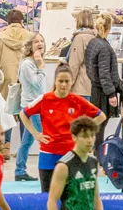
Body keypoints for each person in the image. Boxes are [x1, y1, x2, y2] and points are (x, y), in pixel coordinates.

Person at [20, 64, 106, 192]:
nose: (63, 84)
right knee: (48, 194)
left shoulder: (77, 100)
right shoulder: (44, 99)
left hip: (71, 154)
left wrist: (83, 133)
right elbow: (24, 114)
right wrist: (36, 134)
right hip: (48, 154)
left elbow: (101, 116)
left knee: (71, 195)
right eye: (60, 81)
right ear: (55, 81)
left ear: (71, 82)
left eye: (67, 81)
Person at [84, 12, 123, 146]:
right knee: (100, 124)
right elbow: (104, 73)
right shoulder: (104, 47)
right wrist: (111, 94)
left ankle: (96, 152)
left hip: (95, 88)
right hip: (102, 92)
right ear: (109, 27)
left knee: (97, 124)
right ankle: (98, 154)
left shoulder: (93, 43)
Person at [46, 117, 101, 210]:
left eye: (92, 135)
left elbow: (96, 197)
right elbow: (52, 200)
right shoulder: (64, 166)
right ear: (74, 137)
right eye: (84, 136)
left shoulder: (94, 162)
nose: (90, 140)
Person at [14, 34, 45, 182]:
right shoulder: (28, 64)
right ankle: (47, 169)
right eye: (36, 41)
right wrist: (41, 67)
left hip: (35, 105)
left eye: (41, 41)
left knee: (27, 141)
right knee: (43, 138)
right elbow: (37, 84)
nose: (40, 44)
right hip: (32, 107)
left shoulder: (33, 62)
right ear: (30, 46)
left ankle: (20, 170)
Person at [0, 10, 32, 100]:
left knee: (7, 108)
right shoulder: (30, 36)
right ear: (22, 21)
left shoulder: (0, 38)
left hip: (6, 78)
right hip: (26, 76)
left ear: (8, 22)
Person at [66, 10, 97, 99]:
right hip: (93, 85)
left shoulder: (79, 38)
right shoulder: (95, 36)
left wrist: (69, 83)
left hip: (81, 86)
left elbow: (74, 64)